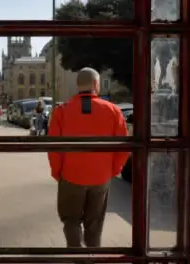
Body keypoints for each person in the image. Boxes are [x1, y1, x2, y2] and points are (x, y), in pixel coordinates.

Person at [47, 67, 130, 251]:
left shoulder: (62, 111)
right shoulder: (114, 111)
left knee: (71, 220)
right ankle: (93, 256)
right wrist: (113, 169)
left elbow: (54, 147)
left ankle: (77, 255)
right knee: (94, 224)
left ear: (78, 85)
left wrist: (57, 172)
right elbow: (124, 146)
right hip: (100, 178)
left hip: (71, 175)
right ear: (95, 84)